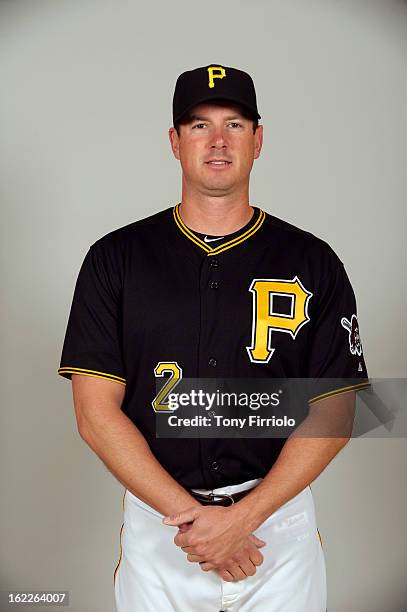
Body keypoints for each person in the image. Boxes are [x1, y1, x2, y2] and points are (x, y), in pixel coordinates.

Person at [57, 63, 369, 611]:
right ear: (175, 142)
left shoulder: (312, 260)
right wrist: (196, 522)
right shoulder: (116, 259)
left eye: (235, 124)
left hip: (277, 525)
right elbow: (95, 415)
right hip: (162, 528)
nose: (218, 141)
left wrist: (242, 519)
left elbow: (336, 412)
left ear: (259, 140)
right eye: (199, 125)